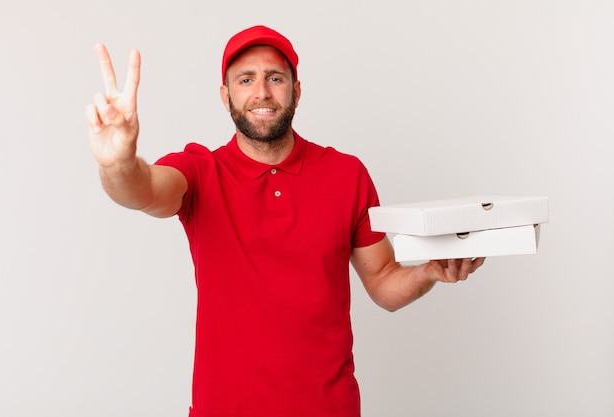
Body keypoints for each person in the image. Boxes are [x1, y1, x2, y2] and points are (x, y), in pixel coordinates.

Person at [85, 25, 485, 417]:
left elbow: (382, 280)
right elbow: (143, 191)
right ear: (226, 96)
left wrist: (428, 272)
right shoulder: (200, 171)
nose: (261, 92)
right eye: (246, 79)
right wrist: (119, 164)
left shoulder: (346, 174)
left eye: (275, 78)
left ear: (296, 90)